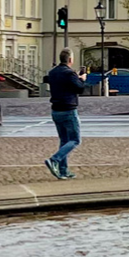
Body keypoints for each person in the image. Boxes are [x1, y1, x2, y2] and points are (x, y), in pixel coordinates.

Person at [44, 50, 88, 179]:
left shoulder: (53, 72)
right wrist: (82, 79)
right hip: (68, 109)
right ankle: (55, 159)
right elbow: (80, 89)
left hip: (55, 109)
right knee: (75, 140)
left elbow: (63, 85)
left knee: (64, 140)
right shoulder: (69, 73)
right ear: (70, 60)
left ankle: (63, 170)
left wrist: (77, 78)